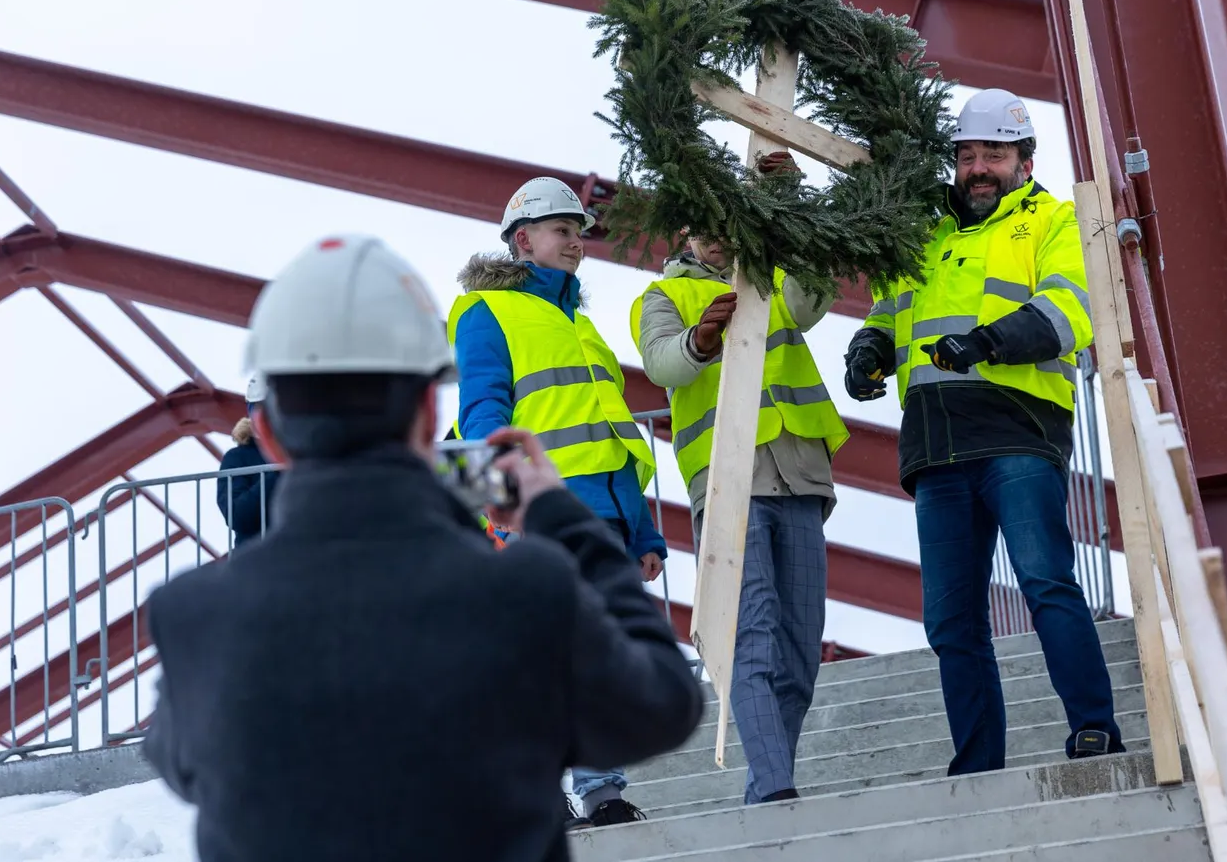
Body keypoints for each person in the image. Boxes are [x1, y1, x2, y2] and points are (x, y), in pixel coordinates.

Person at [141, 235, 702, 862]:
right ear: (430, 414)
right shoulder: (524, 590)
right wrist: (561, 520)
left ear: (267, 433)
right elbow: (663, 703)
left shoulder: (193, 617)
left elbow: (182, 762)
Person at [843, 88, 1122, 775]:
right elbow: (890, 308)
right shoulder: (926, 232)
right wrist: (869, 348)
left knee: (1046, 581)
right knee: (951, 622)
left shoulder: (1055, 220)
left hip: (1018, 432)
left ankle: (1095, 728)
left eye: (993, 154)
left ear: (1024, 160)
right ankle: (977, 763)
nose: (977, 168)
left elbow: (1070, 310)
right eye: (968, 155)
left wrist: (989, 342)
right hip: (936, 446)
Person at [447, 176, 669, 827]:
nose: (577, 242)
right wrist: (499, 513)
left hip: (600, 520)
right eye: (562, 230)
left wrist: (643, 532)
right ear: (523, 240)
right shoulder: (489, 310)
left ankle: (602, 793)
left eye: (580, 232)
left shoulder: (581, 325)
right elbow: (480, 412)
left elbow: (613, 437)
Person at [629, 150, 849, 804]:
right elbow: (665, 365)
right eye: (702, 219)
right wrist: (699, 340)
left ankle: (769, 783)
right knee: (750, 631)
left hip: (800, 475)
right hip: (727, 480)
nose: (715, 230)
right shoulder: (663, 296)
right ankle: (775, 784)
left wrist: (794, 207)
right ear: (683, 230)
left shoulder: (771, 276)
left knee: (801, 647)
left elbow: (814, 298)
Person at [214, 372, 280, 547]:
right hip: (258, 563)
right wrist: (279, 471)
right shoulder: (237, 458)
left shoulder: (308, 455)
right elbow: (237, 516)